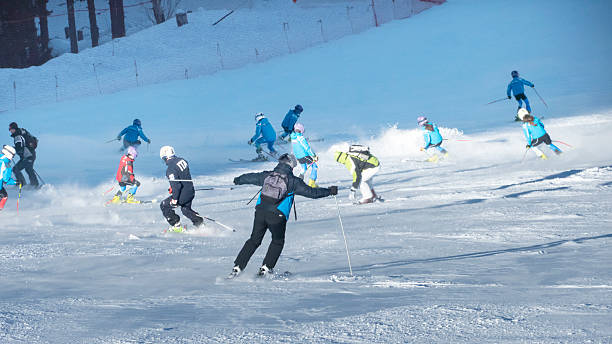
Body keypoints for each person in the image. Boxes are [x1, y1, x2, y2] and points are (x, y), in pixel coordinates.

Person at [229, 153, 338, 278]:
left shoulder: (267, 175)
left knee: (254, 240)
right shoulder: (294, 182)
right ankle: (266, 268)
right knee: (277, 241)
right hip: (277, 216)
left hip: (260, 212)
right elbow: (312, 193)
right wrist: (329, 191)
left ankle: (237, 267)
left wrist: (238, 180)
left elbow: (250, 177)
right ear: (291, 165)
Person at [159, 145, 203, 232]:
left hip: (183, 194)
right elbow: (181, 177)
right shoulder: (182, 160)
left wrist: (175, 199)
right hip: (190, 191)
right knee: (185, 210)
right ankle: (200, 224)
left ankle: (176, 225)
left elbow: (177, 186)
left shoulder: (170, 169)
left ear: (165, 157)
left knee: (164, 205)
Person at [9, 122, 39, 188]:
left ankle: (22, 185)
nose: (10, 131)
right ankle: (35, 185)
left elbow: (19, 148)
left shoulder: (17, 136)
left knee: (16, 169)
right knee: (29, 169)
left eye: (10, 129)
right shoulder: (23, 132)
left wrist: (11, 149)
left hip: (28, 156)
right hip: (31, 154)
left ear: (14, 129)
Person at [290, 123, 319, 187]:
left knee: (304, 168)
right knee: (314, 166)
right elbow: (307, 148)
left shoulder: (293, 136)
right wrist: (314, 155)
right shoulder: (301, 138)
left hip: (298, 156)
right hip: (304, 156)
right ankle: (312, 184)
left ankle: (298, 183)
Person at [0, 145, 18, 210]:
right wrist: (15, 182)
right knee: (4, 196)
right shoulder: (6, 164)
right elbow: (6, 180)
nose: (12, 158)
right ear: (9, 154)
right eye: (13, 155)